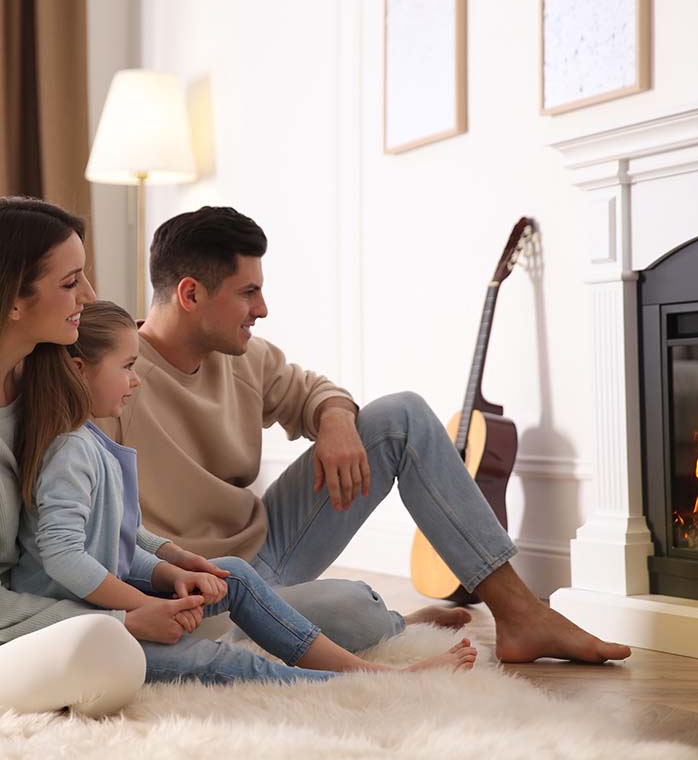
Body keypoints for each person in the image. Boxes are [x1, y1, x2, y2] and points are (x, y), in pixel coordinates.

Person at [109, 205, 631, 664]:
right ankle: (394, 621)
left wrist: (334, 419)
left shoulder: (248, 358)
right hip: (201, 587)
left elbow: (315, 391)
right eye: (249, 292)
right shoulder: (114, 375)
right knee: (354, 608)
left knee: (400, 415)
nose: (262, 309)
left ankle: (520, 613)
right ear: (191, 293)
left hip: (265, 546)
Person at [13, 300, 478, 683]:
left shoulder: (89, 439)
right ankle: (356, 681)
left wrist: (171, 571)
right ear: (78, 370)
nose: (136, 380)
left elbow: (115, 542)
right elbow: (64, 557)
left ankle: (363, 669)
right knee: (219, 663)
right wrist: (145, 606)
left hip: (104, 605)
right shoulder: (69, 450)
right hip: (80, 627)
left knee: (232, 574)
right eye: (128, 367)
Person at [0, 196, 197, 716]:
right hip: (26, 624)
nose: (89, 295)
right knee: (111, 654)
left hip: (61, 604)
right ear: (13, 301)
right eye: (70, 283)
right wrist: (122, 621)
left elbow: (91, 511)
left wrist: (167, 562)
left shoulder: (47, 379)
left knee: (331, 607)